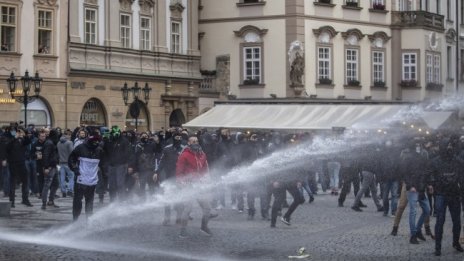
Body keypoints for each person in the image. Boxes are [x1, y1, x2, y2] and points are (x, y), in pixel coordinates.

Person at [430, 137, 463, 256]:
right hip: (441, 193)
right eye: (447, 145)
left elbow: (461, 176)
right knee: (440, 221)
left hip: (454, 193)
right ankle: (438, 247)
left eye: (450, 145)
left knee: (457, 221)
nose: (449, 147)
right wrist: (432, 185)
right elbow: (431, 175)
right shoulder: (436, 161)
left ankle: (456, 242)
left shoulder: (457, 160)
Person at [176, 136, 212, 238]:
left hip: (199, 185)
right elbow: (179, 171)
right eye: (193, 141)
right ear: (188, 143)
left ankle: (204, 227)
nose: (195, 142)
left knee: (207, 208)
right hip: (188, 185)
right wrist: (181, 183)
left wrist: (207, 180)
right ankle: (182, 231)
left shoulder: (202, 154)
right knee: (187, 208)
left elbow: (205, 169)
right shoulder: (184, 155)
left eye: (197, 141)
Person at [69, 134, 104, 221]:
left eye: (97, 142)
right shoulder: (80, 148)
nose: (96, 144)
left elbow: (103, 163)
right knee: (77, 200)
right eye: (94, 142)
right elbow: (71, 158)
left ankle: (89, 218)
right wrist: (75, 169)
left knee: (89, 201)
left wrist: (101, 170)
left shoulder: (99, 150)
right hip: (80, 179)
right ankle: (75, 218)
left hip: (92, 181)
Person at [154, 131, 185, 225]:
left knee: (180, 198)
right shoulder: (167, 149)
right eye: (176, 138)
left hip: (180, 177)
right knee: (167, 197)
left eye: (180, 138)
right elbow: (161, 162)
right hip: (169, 177)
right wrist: (156, 172)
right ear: (173, 138)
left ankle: (179, 217)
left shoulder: (184, 149)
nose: (178, 139)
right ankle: (167, 217)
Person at [6, 127, 33, 207]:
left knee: (25, 181)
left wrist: (24, 134)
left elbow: (28, 141)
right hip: (13, 163)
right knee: (13, 183)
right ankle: (12, 201)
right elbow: (7, 148)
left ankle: (25, 199)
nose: (18, 133)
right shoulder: (9, 139)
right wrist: (15, 138)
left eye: (19, 132)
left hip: (22, 163)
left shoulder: (22, 140)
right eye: (17, 131)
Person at [41, 129, 60, 210]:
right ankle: (44, 203)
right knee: (47, 185)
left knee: (56, 183)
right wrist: (46, 167)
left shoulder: (52, 142)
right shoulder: (49, 143)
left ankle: (50, 201)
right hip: (49, 167)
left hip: (53, 166)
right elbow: (45, 155)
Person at [57, 130, 75, 198]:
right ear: (67, 135)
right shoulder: (69, 143)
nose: (70, 136)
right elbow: (72, 152)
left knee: (62, 178)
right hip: (68, 163)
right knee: (71, 177)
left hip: (61, 162)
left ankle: (63, 191)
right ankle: (70, 191)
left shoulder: (58, 143)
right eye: (69, 135)